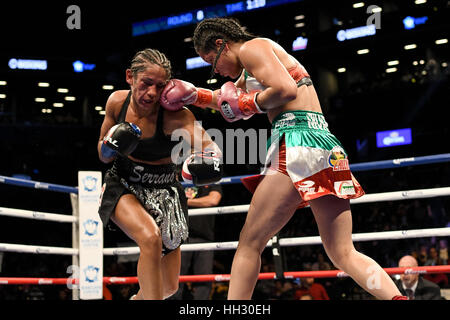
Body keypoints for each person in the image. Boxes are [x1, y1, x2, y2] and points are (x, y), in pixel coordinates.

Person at [159, 17, 407, 300]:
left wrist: (247, 104)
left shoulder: (253, 48)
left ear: (221, 45)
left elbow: (284, 90)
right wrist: (194, 96)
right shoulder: (258, 61)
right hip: (326, 145)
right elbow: (230, 98)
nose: (216, 71)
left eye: (211, 62)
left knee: (249, 243)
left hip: (296, 141)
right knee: (342, 252)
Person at [97, 48, 222, 300]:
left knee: (169, 287)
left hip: (166, 189)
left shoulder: (176, 116)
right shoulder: (116, 103)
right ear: (130, 77)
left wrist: (209, 160)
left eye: (160, 86)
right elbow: (102, 153)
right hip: (123, 184)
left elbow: (210, 148)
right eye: (146, 83)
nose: (152, 92)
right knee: (150, 238)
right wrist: (111, 145)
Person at [172, 183, 223, 300]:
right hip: (180, 237)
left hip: (205, 237)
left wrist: (183, 201)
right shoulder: (180, 175)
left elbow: (213, 200)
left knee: (204, 279)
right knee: (175, 277)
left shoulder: (212, 177)